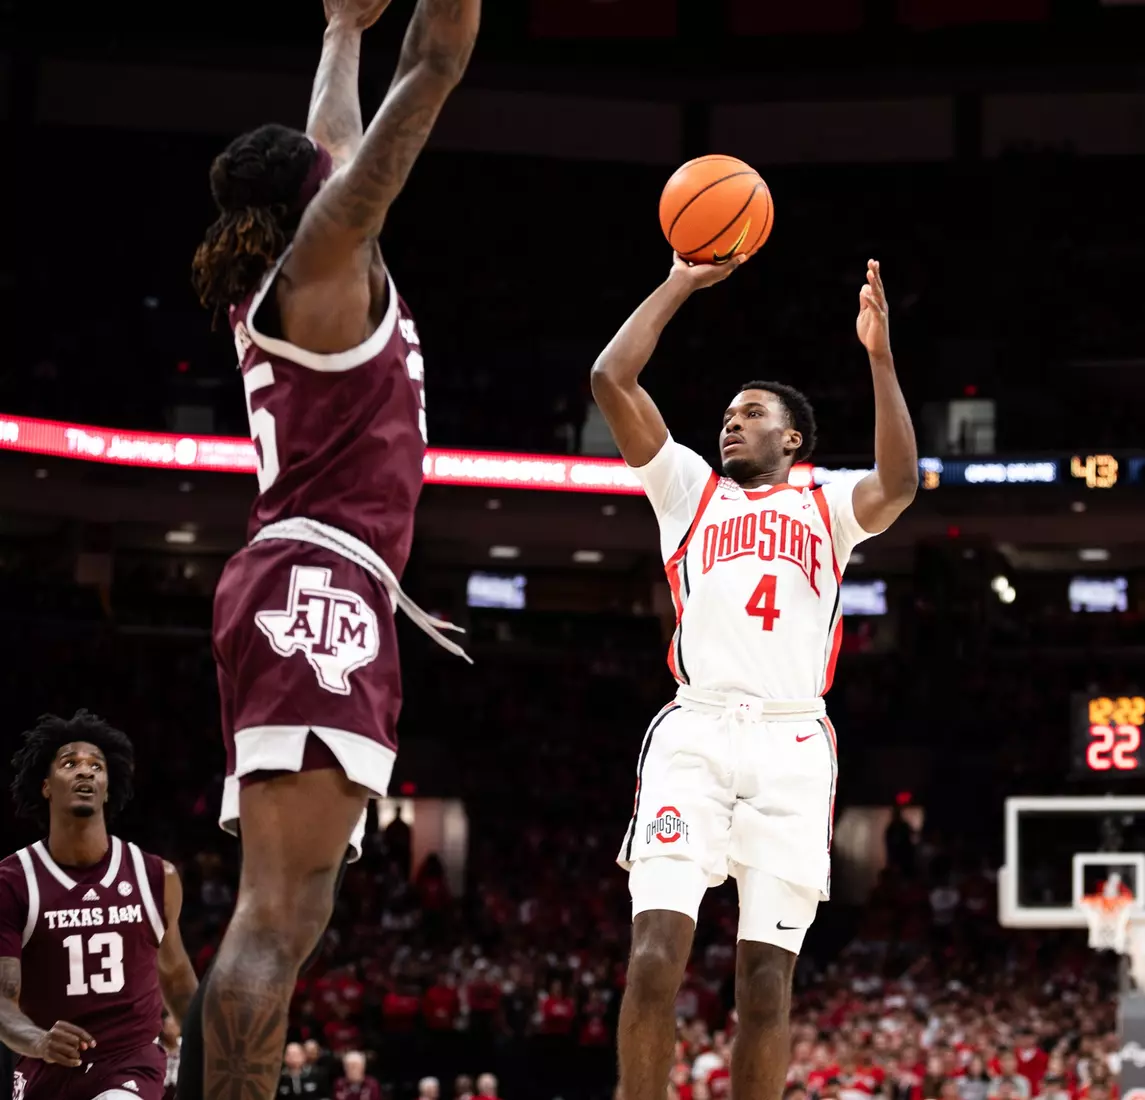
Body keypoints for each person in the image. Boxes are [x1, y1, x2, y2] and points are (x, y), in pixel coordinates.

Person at [182, 0, 480, 1095]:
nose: (339, 164)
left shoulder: (298, 267)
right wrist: (418, 45)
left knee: (286, 914)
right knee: (277, 913)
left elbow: (339, 142)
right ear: (310, 198)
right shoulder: (322, 257)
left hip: (302, 578)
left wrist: (339, 30)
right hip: (318, 582)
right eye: (326, 172)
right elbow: (436, 65)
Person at [590, 254, 917, 1100]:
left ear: (793, 437)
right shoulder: (688, 489)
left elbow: (901, 483)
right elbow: (610, 377)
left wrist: (878, 357)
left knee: (764, 985)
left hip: (792, 741)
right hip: (693, 731)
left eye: (750, 414)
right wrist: (678, 282)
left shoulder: (827, 501)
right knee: (654, 957)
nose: (730, 424)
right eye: (727, 414)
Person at [0, 711, 199, 1100]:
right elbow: (3, 1000)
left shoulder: (156, 876)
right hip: (45, 1065)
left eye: (96, 766)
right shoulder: (13, 882)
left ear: (108, 787)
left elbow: (176, 978)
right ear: (45, 786)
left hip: (129, 1064)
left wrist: (213, 1050)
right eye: (70, 763)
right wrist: (38, 1041)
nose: (85, 772)